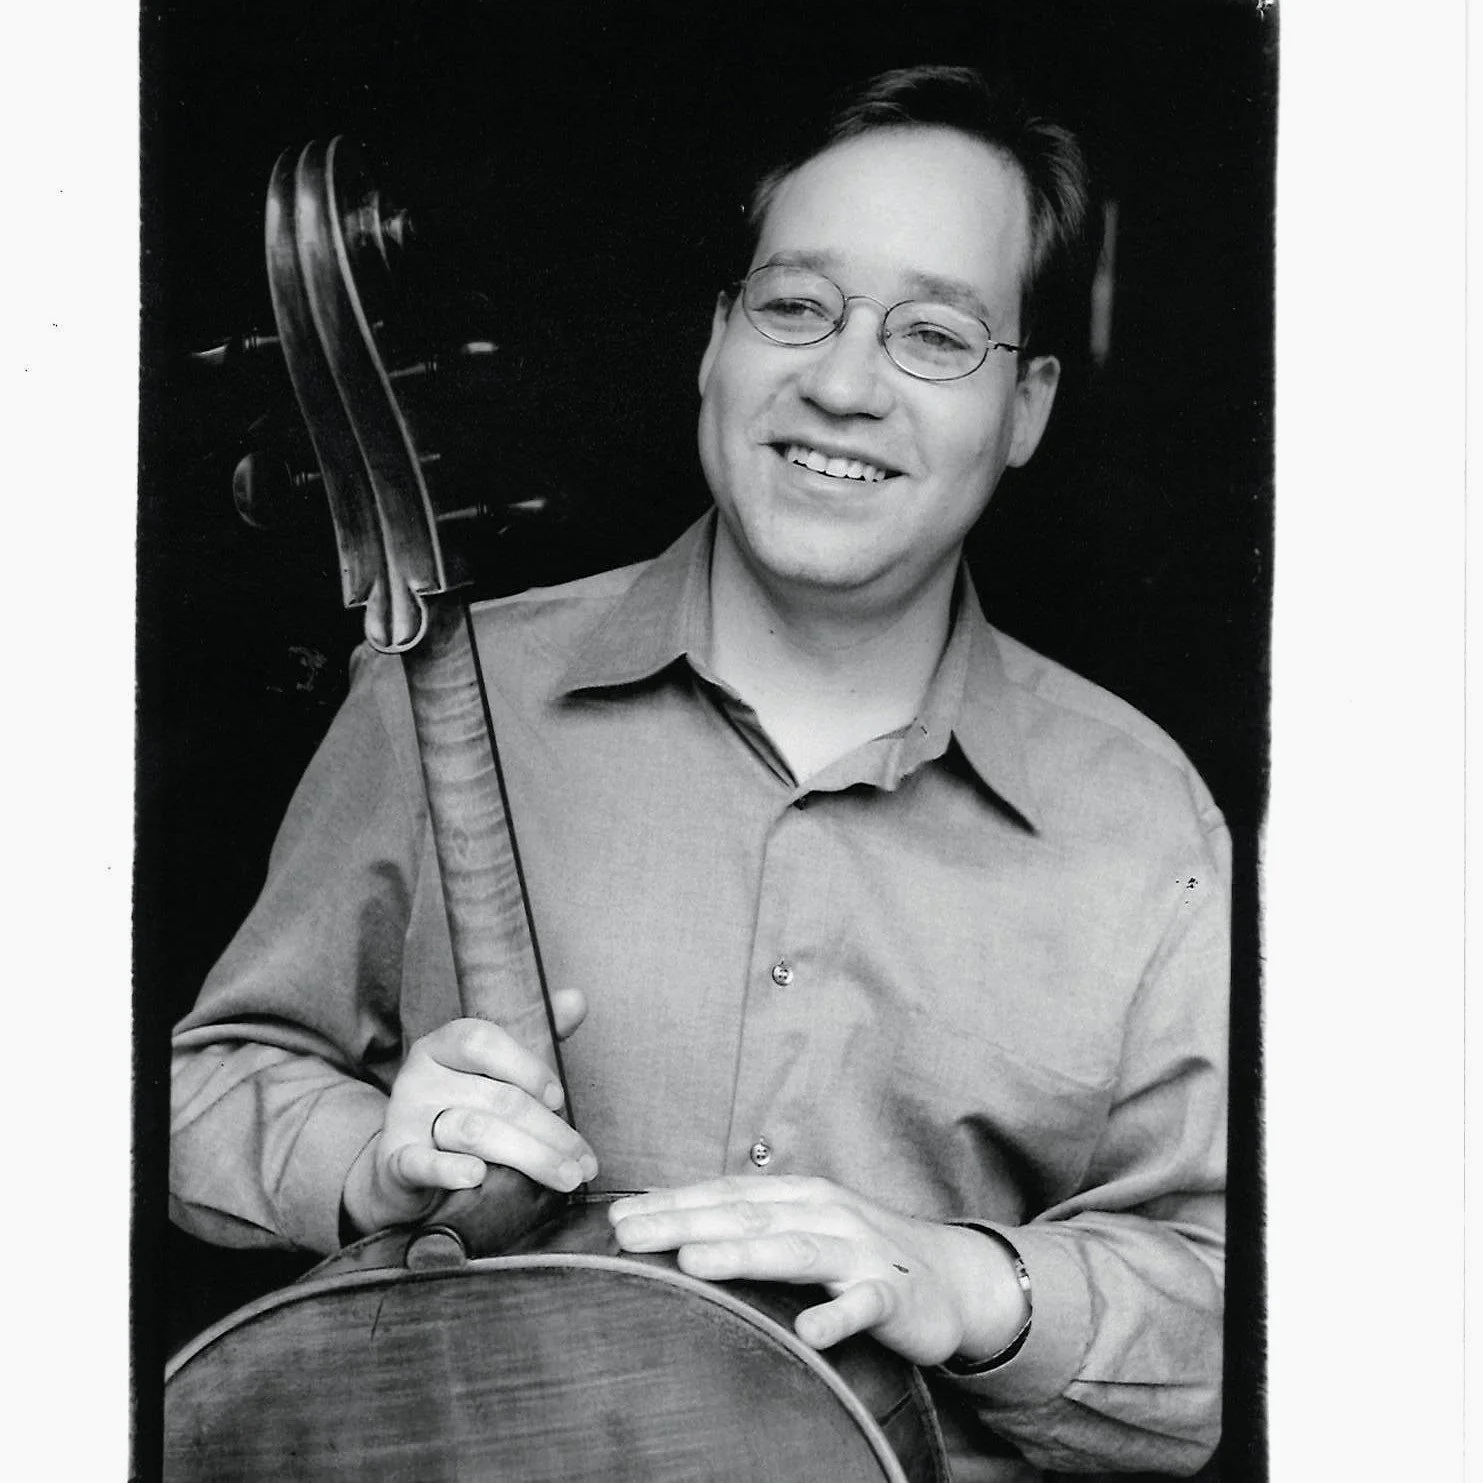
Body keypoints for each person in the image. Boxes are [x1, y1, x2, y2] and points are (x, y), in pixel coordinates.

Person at [171, 66, 1229, 1481]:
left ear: (1025, 405)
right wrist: (363, 1158)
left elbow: (1243, 1307)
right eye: (793, 306)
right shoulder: (440, 700)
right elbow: (208, 1084)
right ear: (714, 342)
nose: (842, 385)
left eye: (933, 335)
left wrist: (963, 1282)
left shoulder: (1145, 818)